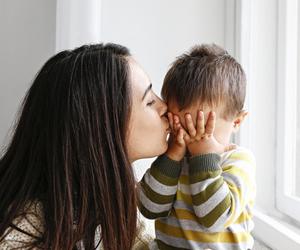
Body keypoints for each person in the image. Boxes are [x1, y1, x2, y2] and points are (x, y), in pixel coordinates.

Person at [0, 43, 171, 250]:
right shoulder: (22, 230)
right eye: (149, 102)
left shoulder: (110, 208)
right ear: (101, 123)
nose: (165, 107)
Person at [138, 44, 256, 250]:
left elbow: (214, 218)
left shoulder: (239, 161)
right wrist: (173, 154)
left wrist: (204, 157)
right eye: (180, 126)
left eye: (201, 129)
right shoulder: (174, 157)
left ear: (237, 121)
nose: (191, 139)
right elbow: (150, 208)